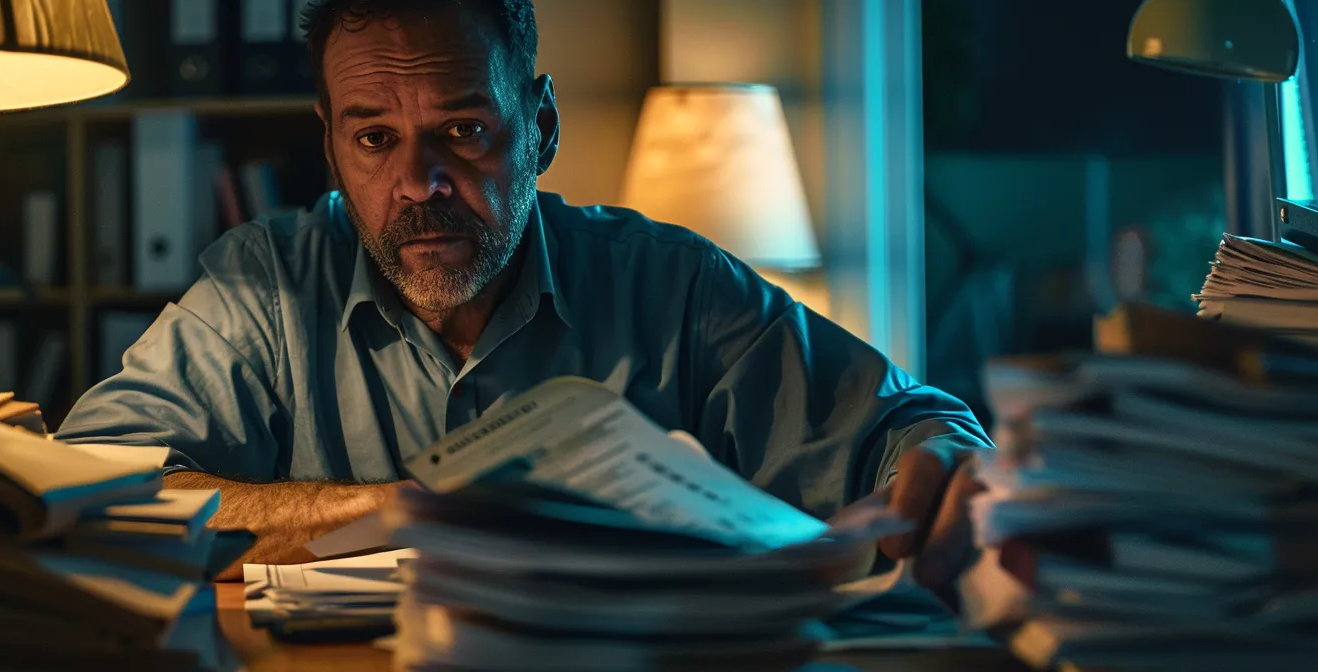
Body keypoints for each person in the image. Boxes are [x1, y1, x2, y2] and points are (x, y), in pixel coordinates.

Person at [57, 0, 992, 589]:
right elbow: (93, 480)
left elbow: (915, 432)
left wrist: (945, 464)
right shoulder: (264, 286)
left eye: (463, 130)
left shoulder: (671, 285)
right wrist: (405, 508)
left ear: (540, 127)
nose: (420, 182)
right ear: (331, 143)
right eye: (375, 139)